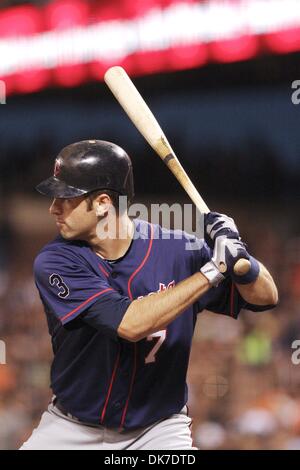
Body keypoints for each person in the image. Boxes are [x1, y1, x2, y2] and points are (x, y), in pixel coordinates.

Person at [20, 140, 278, 450]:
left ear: (103, 203)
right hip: (72, 428)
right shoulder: (56, 260)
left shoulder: (178, 249)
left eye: (66, 198)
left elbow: (267, 296)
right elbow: (130, 324)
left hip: (158, 431)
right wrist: (214, 270)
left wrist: (241, 259)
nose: (53, 208)